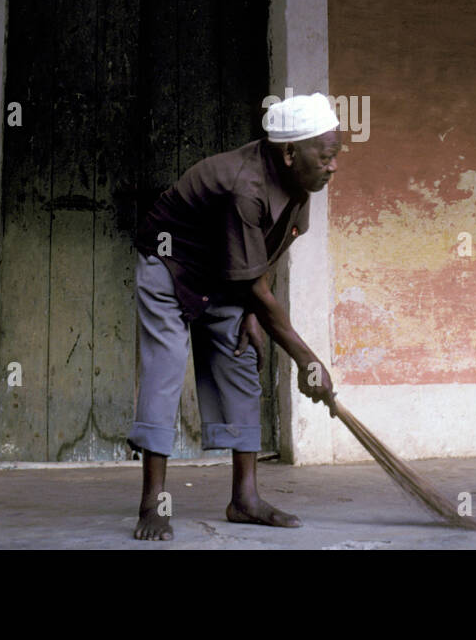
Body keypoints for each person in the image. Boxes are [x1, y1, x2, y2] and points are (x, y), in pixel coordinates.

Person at [128, 92, 341, 541]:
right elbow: (255, 277)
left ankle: (244, 500)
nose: (333, 166)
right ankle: (153, 504)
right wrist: (308, 360)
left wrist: (250, 307)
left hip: (226, 273)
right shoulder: (243, 187)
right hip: (170, 264)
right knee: (165, 370)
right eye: (325, 157)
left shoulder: (304, 185)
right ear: (289, 153)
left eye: (335, 156)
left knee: (242, 363)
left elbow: (265, 257)